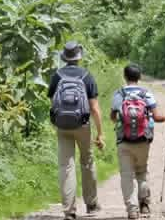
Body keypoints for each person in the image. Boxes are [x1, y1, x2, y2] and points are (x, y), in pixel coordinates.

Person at [47, 42, 105, 220]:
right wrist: (100, 132)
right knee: (87, 161)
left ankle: (69, 211)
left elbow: (53, 101)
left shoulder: (57, 75)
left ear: (65, 57)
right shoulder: (87, 75)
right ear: (79, 57)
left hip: (62, 126)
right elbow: (94, 108)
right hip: (82, 125)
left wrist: (59, 120)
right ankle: (92, 204)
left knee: (66, 166)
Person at [110, 64, 165, 220]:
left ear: (125, 77)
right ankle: (144, 205)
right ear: (139, 77)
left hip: (124, 140)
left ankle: (132, 209)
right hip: (143, 140)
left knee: (126, 175)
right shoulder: (146, 94)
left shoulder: (119, 94)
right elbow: (157, 117)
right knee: (142, 171)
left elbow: (113, 117)